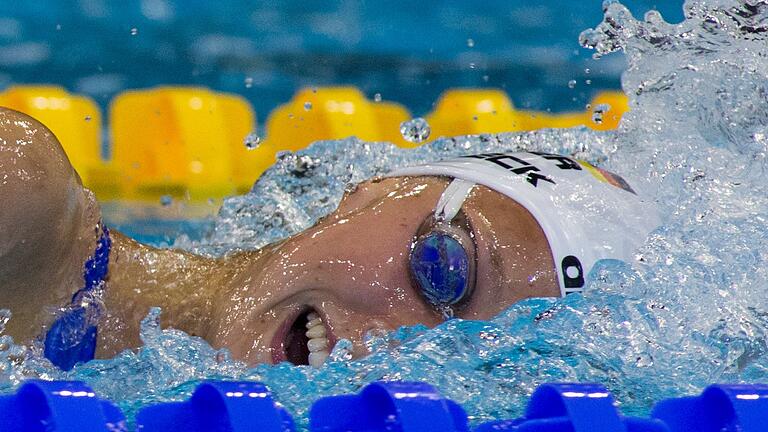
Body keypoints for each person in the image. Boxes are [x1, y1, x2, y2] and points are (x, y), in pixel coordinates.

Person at [0, 107, 658, 370]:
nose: (392, 341)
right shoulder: (28, 211)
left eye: (470, 357)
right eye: (443, 267)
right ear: (375, 190)